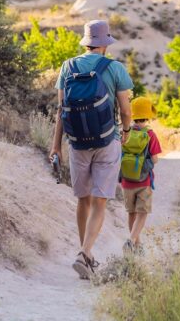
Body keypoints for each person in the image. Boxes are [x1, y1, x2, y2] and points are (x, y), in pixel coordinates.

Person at [49, 19, 133, 280]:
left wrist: (56, 147)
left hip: (77, 144)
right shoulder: (115, 68)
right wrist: (127, 131)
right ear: (105, 44)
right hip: (108, 141)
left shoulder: (67, 67)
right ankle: (85, 253)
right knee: (100, 200)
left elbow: (61, 112)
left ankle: (84, 252)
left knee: (83, 199)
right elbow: (126, 110)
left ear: (86, 43)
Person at [119, 96, 162, 254]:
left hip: (126, 181)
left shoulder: (125, 132)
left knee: (131, 213)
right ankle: (131, 241)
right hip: (144, 181)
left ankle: (137, 245)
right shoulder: (150, 134)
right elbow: (155, 159)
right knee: (142, 213)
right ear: (148, 114)